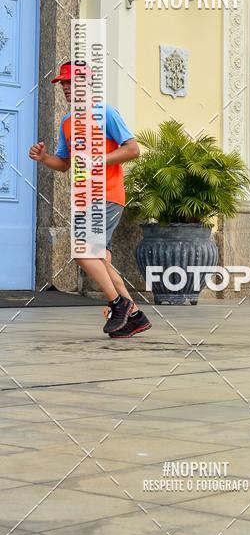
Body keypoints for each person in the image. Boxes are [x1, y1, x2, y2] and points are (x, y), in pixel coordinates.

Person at [29, 61, 152, 337]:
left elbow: (133, 150)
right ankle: (135, 317)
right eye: (62, 83)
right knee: (102, 260)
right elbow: (64, 163)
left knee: (81, 250)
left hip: (107, 194)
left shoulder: (105, 113)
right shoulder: (67, 122)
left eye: (69, 82)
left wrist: (99, 159)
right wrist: (43, 157)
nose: (64, 87)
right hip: (86, 197)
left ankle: (118, 304)